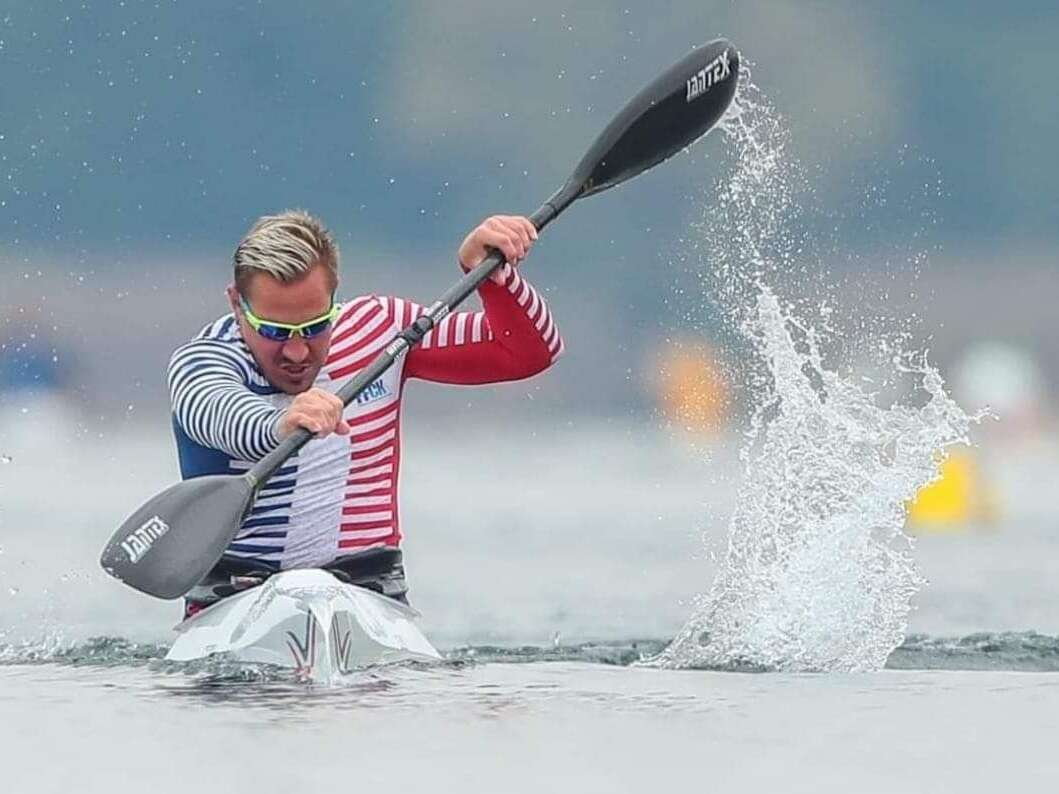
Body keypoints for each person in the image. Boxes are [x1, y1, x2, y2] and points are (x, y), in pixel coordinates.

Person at [168, 210, 562, 616]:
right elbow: (212, 409)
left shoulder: (381, 331)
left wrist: (494, 278)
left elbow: (530, 353)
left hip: (371, 601)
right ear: (237, 303)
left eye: (316, 325)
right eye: (274, 331)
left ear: (334, 298)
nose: (298, 352)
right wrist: (279, 421)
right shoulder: (206, 359)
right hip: (236, 602)